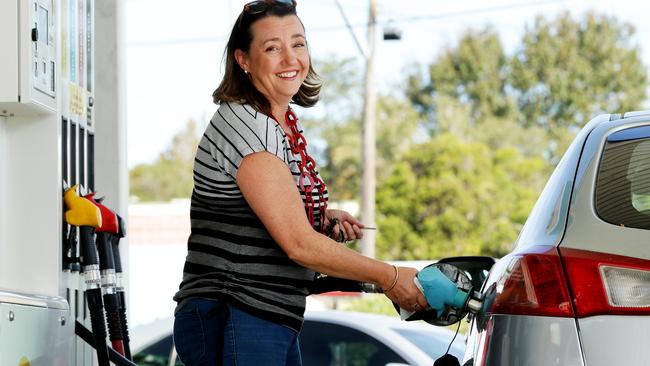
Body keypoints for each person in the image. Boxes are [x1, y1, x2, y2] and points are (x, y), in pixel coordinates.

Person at [172, 1, 430, 365]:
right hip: (236, 311)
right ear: (243, 59)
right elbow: (297, 244)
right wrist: (390, 277)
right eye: (272, 48)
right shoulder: (249, 126)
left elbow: (268, 216)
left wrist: (319, 217)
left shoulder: (277, 121)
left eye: (298, 44)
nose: (290, 59)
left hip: (267, 313)